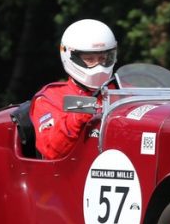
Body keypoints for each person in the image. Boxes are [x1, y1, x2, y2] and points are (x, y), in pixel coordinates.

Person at [30, 19, 118, 160]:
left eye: (103, 58)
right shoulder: (51, 98)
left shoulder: (122, 91)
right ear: (70, 56)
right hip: (73, 174)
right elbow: (52, 150)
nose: (99, 66)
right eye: (90, 59)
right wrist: (80, 113)